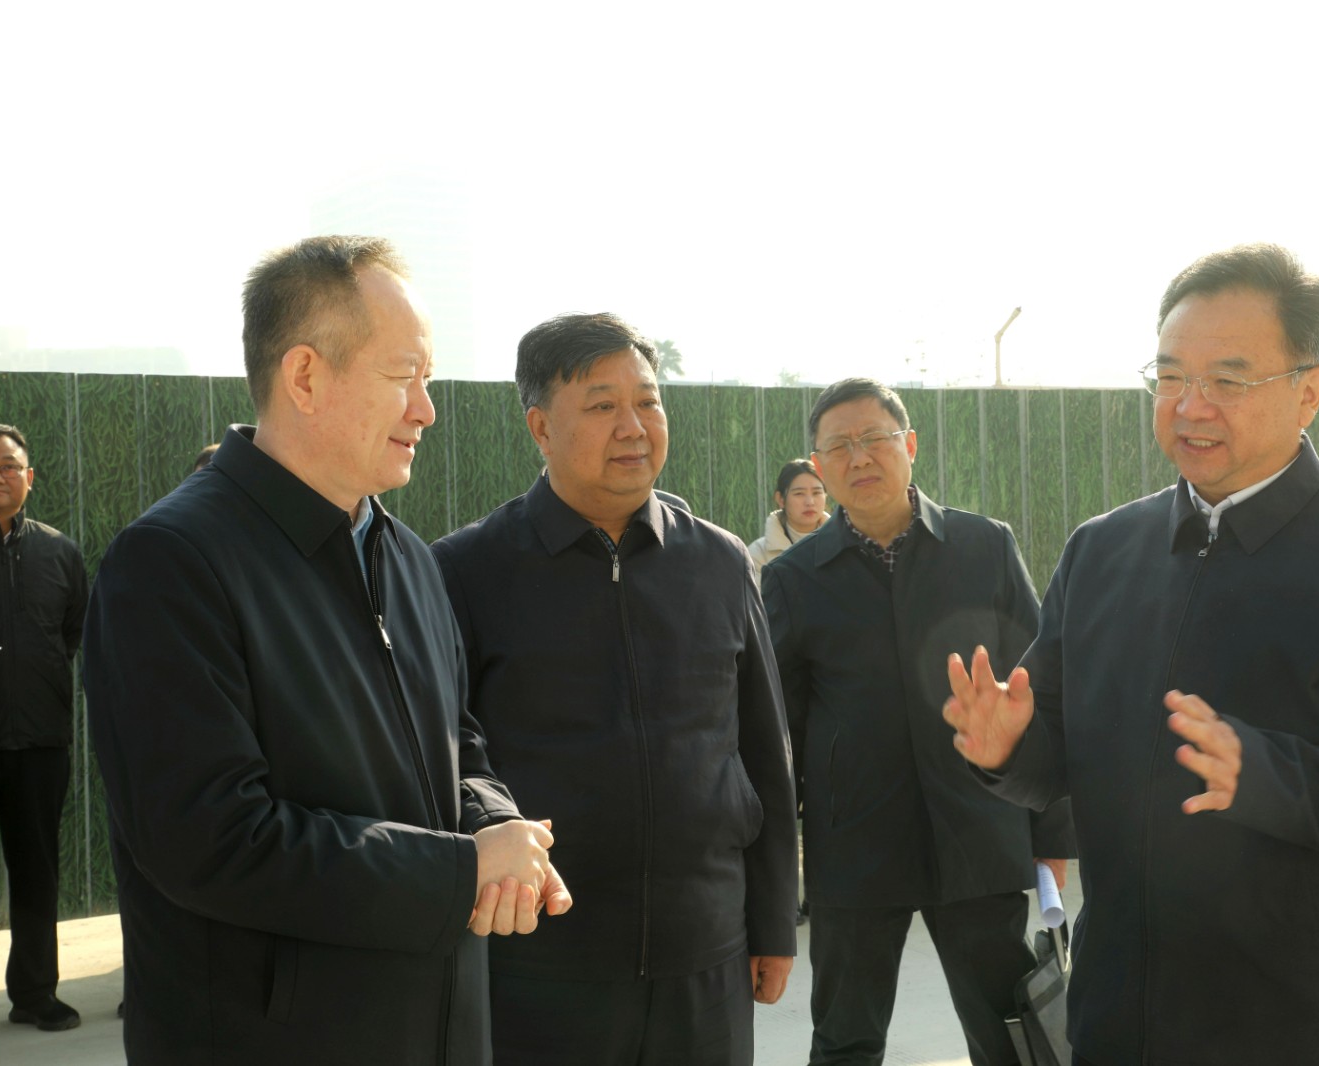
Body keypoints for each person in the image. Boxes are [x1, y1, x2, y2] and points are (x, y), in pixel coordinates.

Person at [944, 244, 1319, 1066]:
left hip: (1299, 1027)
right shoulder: (1103, 552)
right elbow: (1054, 757)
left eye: (1228, 380)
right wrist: (1008, 749)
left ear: (1310, 391)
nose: (1189, 406)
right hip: (1118, 1018)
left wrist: (1266, 775)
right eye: (1170, 376)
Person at [83, 236, 568, 1065]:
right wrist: (459, 872)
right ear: (304, 376)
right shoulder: (171, 562)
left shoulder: (408, 556)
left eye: (428, 378)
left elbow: (456, 744)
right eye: (403, 375)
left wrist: (496, 823)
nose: (426, 409)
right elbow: (211, 840)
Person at [432, 312, 798, 1066]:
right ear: (540, 426)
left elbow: (764, 751)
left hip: (707, 954)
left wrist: (771, 924)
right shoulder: (467, 570)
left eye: (648, 401)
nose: (634, 426)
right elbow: (447, 750)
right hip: (540, 963)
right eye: (602, 405)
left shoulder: (720, 562)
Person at [759, 378, 1074, 1066]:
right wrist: (777, 872)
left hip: (979, 831)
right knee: (845, 1038)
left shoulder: (984, 545)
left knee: (1010, 1030)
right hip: (854, 846)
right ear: (819, 467)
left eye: (874, 438)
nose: (859, 457)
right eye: (839, 446)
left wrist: (1051, 830)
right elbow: (780, 732)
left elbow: (1041, 690)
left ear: (910, 444)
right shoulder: (794, 577)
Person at [0, 423, 88, 1033]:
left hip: (38, 740)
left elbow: (71, 634)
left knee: (36, 869)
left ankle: (34, 993)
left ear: (29, 476)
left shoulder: (61, 553)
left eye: (8, 466)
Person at [747, 458, 828, 576]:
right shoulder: (759, 554)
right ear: (781, 499)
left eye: (816, 493)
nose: (810, 502)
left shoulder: (843, 545)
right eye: (799, 493)